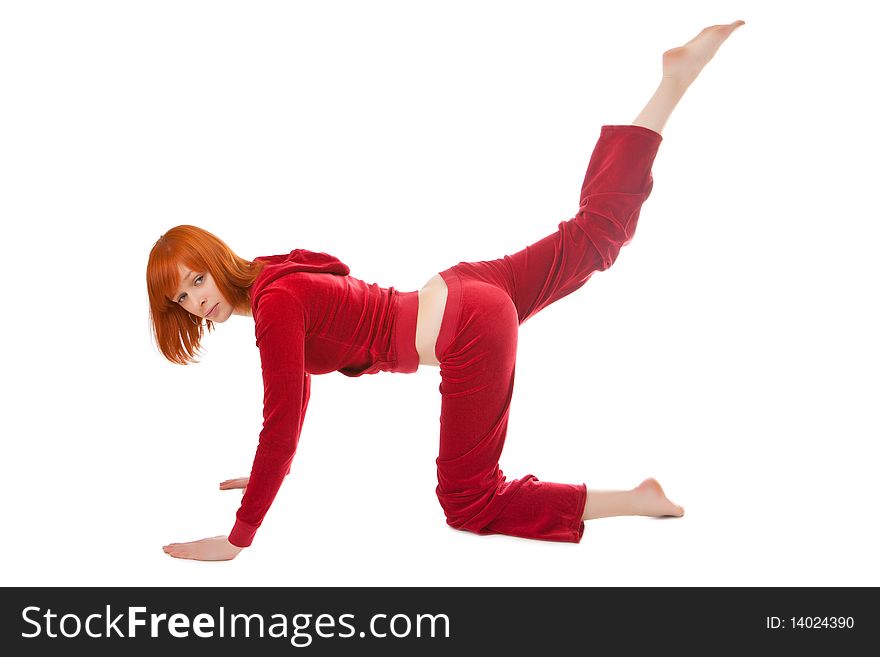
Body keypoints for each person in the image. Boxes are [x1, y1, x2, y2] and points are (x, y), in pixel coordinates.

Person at [148, 21, 745, 561]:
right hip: (463, 289)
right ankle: (672, 84)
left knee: (468, 502)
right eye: (182, 299)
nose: (197, 302)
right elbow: (293, 401)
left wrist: (237, 537)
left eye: (196, 280)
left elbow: (278, 423)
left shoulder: (274, 305)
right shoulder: (275, 277)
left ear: (213, 257)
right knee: (594, 238)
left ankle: (634, 501)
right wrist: (262, 476)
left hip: (467, 329)